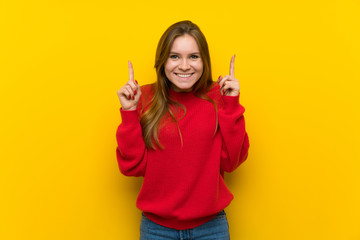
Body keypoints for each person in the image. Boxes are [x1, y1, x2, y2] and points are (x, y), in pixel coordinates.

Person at [116, 20, 249, 240]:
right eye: (174, 56)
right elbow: (132, 167)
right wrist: (129, 113)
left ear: (204, 60)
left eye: (193, 57)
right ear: (162, 61)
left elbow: (232, 161)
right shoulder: (144, 97)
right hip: (156, 230)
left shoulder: (219, 97)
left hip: (211, 228)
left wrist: (232, 104)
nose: (184, 66)